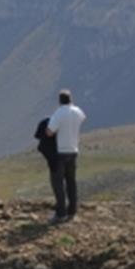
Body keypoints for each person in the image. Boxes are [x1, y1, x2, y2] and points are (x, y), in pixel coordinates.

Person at [45, 89, 86, 224]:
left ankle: (60, 213)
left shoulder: (59, 113)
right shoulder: (77, 111)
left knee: (57, 183)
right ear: (71, 99)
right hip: (73, 150)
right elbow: (83, 118)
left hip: (60, 151)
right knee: (71, 182)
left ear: (59, 100)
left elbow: (50, 132)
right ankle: (72, 210)